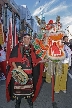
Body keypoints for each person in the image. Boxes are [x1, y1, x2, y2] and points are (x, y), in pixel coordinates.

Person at [6, 33, 44, 108]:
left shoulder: (32, 48)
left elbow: (35, 60)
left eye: (29, 38)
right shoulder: (17, 48)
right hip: (19, 72)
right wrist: (17, 70)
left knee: (29, 88)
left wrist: (44, 60)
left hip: (29, 73)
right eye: (27, 38)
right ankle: (18, 102)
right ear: (23, 39)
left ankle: (29, 101)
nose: (28, 40)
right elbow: (12, 60)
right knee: (18, 88)